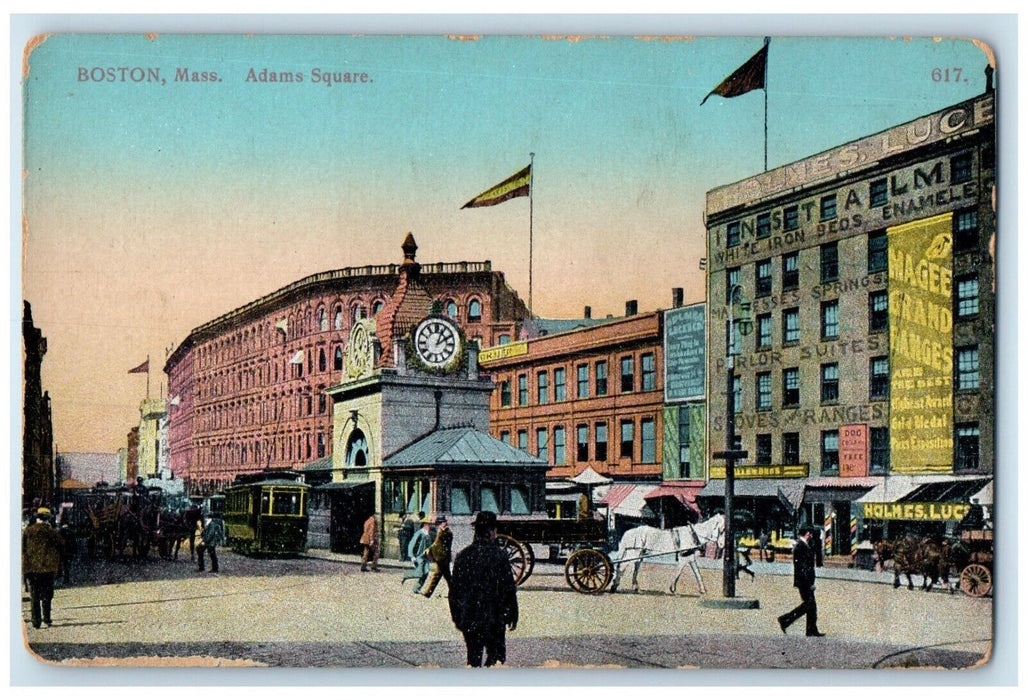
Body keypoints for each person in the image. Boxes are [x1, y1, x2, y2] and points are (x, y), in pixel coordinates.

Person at [449, 511, 518, 667]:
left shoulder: (463, 556)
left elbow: (454, 592)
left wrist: (458, 618)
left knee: (473, 660)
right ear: (491, 531)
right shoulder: (499, 556)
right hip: (494, 619)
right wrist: (512, 615)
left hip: (471, 619)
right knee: (496, 661)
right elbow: (508, 589)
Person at [778, 526, 824, 637]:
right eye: (811, 534)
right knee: (808, 605)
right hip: (804, 582)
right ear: (807, 534)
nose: (812, 536)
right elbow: (803, 567)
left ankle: (811, 629)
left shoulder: (805, 545)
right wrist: (809, 583)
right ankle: (785, 619)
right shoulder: (800, 546)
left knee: (811, 605)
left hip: (805, 581)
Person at [22, 508, 63, 629]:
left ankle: (36, 621)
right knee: (47, 595)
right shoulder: (51, 532)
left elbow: (23, 549)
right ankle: (47, 618)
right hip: (48, 568)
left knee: (34, 595)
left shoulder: (28, 531)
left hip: (32, 568)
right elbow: (61, 544)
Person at [421, 516, 453, 598]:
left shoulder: (447, 532)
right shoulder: (441, 531)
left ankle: (428, 592)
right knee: (445, 576)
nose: (439, 525)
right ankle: (455, 592)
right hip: (441, 557)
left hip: (443, 558)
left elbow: (439, 544)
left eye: (441, 523)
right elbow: (436, 544)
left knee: (438, 576)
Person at [403, 516, 433, 592]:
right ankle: (406, 574)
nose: (430, 526)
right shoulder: (419, 533)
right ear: (425, 525)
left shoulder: (428, 535)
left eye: (430, 524)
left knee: (426, 573)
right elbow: (411, 544)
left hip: (425, 557)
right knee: (419, 573)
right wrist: (412, 556)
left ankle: (416, 588)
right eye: (428, 524)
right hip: (418, 556)